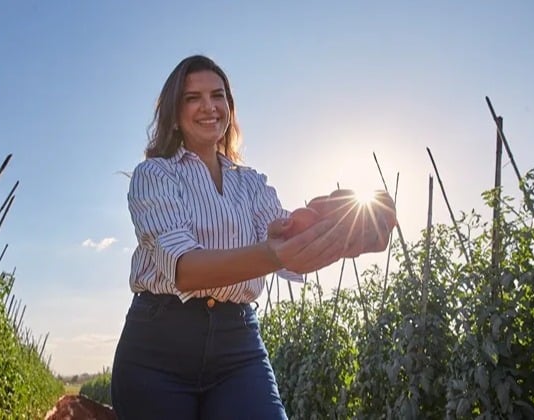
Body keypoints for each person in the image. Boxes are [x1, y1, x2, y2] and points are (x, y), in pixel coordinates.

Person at [111, 54, 395, 420]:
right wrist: (276, 253)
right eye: (192, 97)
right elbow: (184, 270)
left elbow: (283, 232)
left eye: (218, 95)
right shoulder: (154, 175)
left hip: (237, 345)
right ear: (174, 113)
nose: (208, 106)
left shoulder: (251, 182)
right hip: (158, 349)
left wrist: (340, 226)